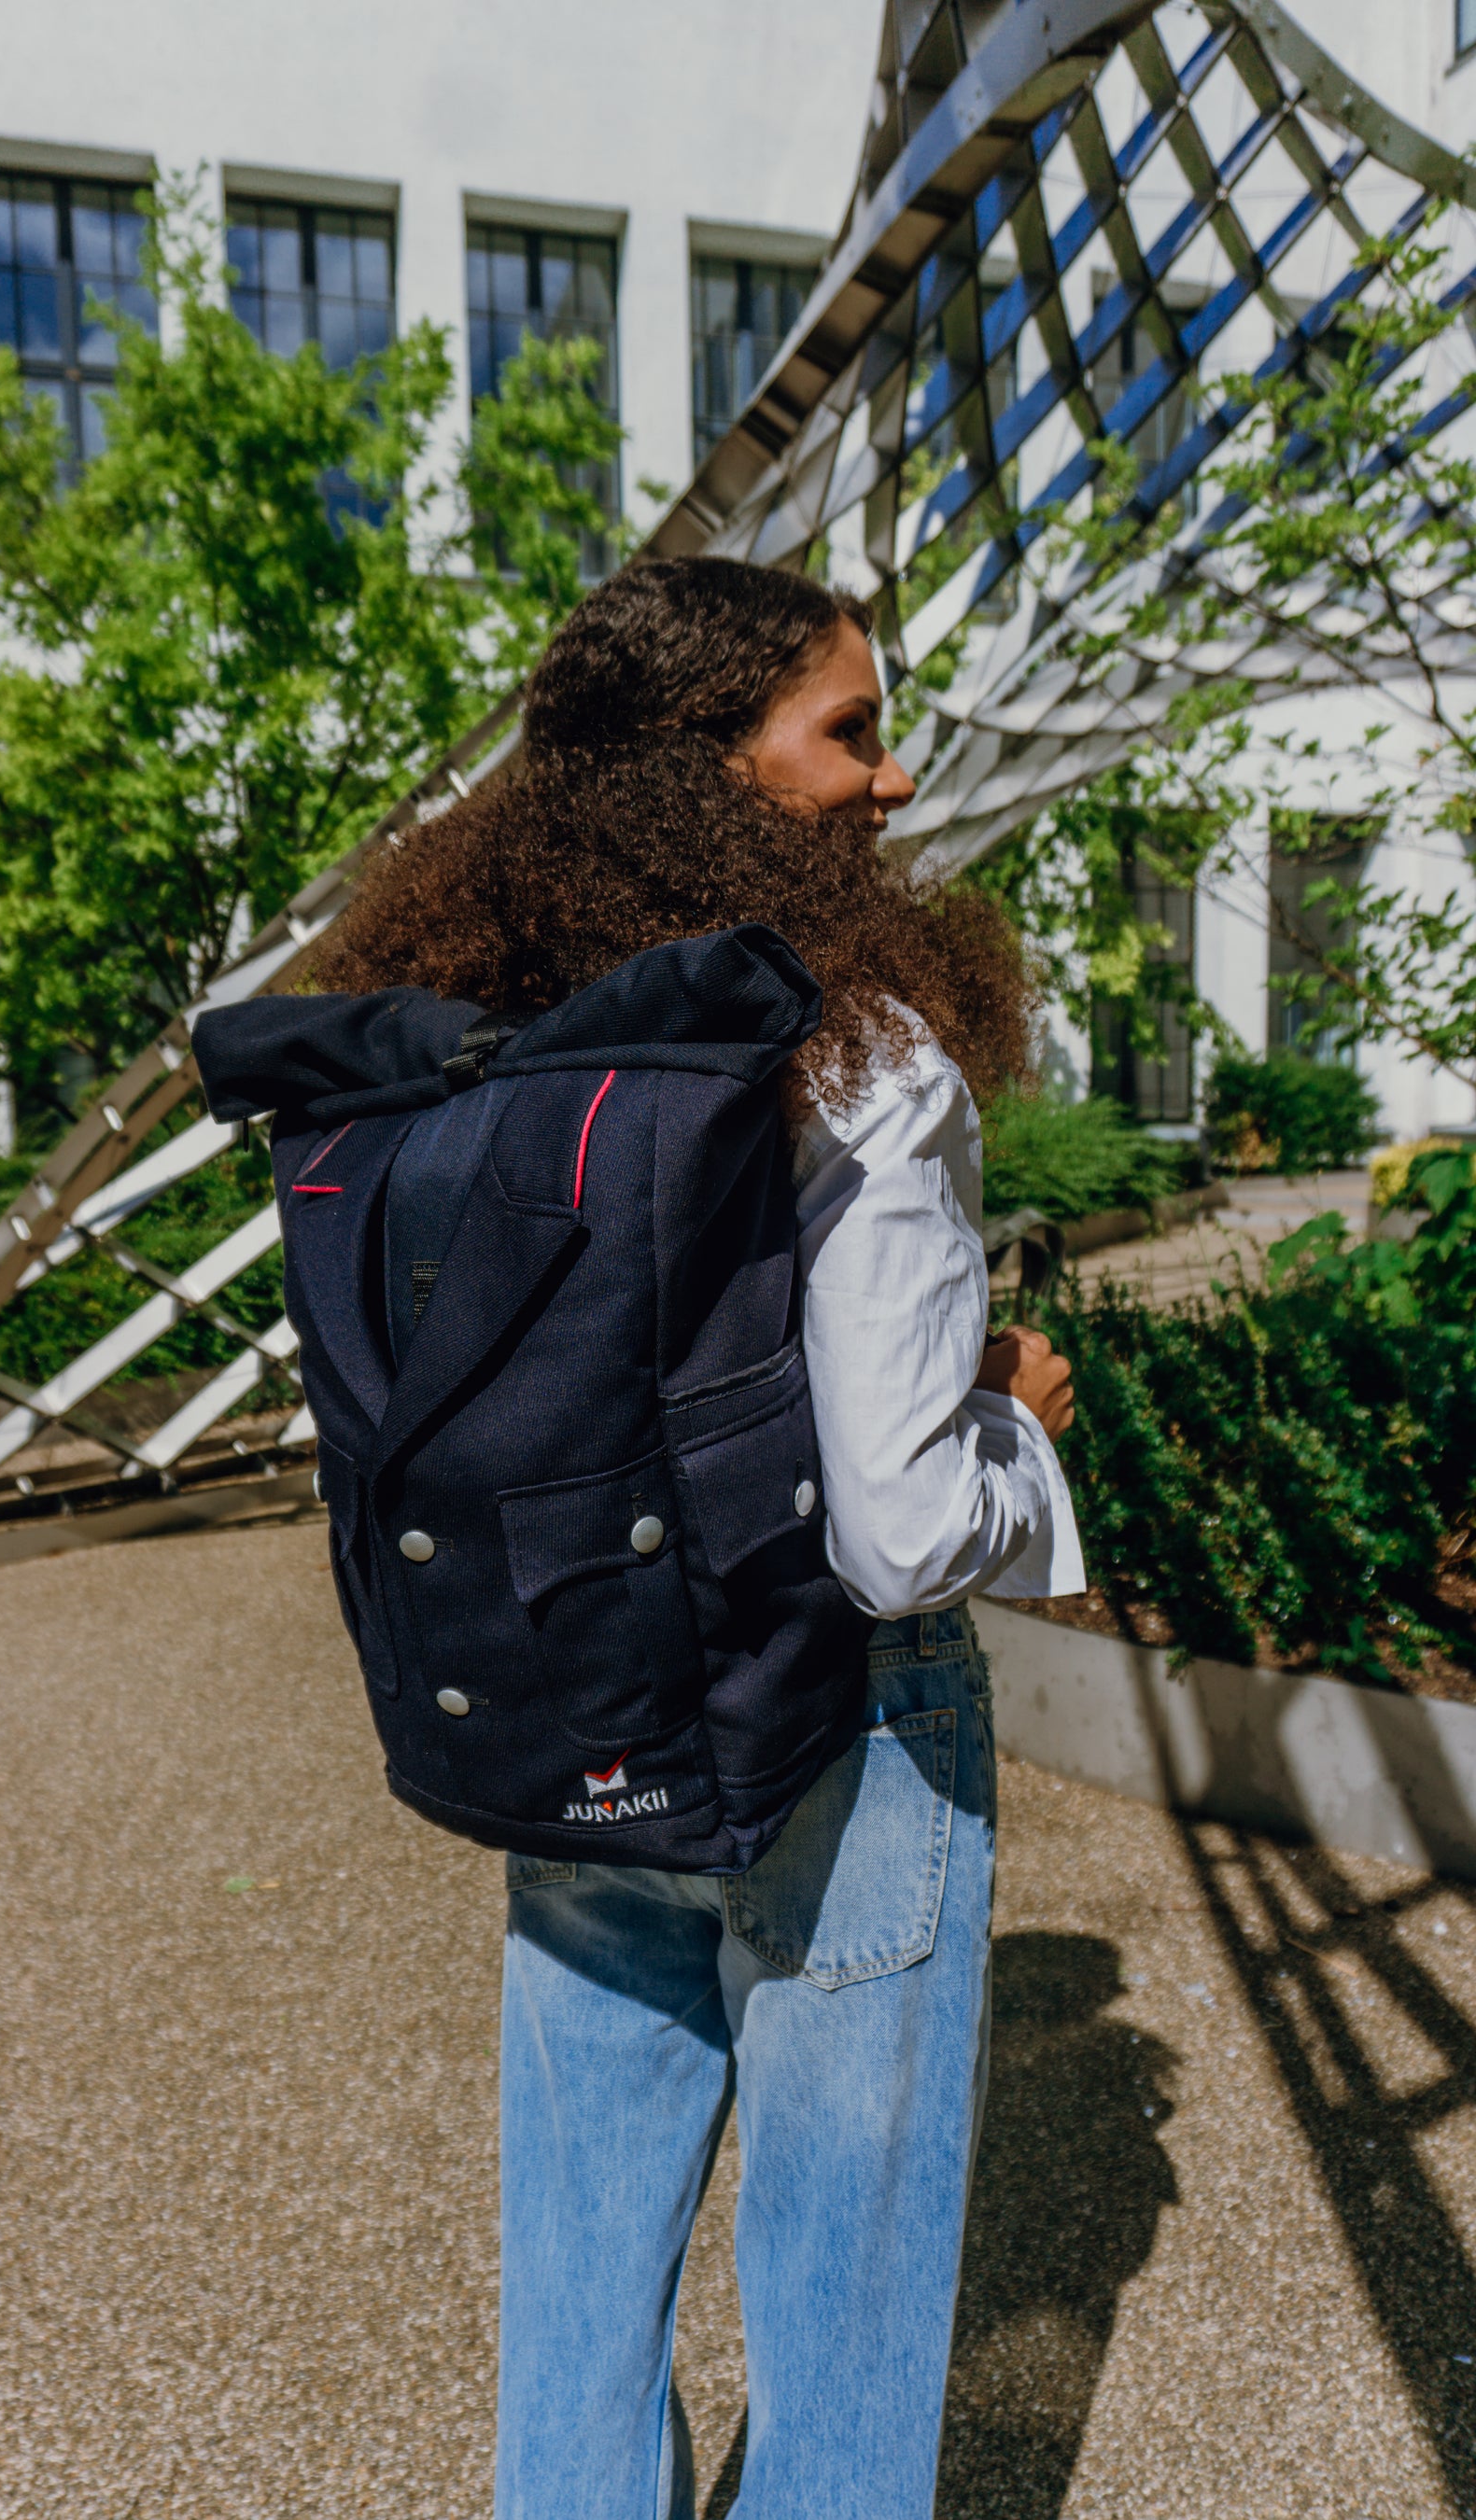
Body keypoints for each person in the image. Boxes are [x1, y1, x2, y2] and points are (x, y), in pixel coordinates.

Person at [311, 557, 1084, 2518]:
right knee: (843, 2308)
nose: (892, 781)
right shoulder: (864, 1056)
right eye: (848, 731)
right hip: (840, 1722)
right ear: (711, 769)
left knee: (576, 2284)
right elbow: (905, 1531)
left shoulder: (500, 1028)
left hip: (579, 1689)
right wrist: (1015, 1430)